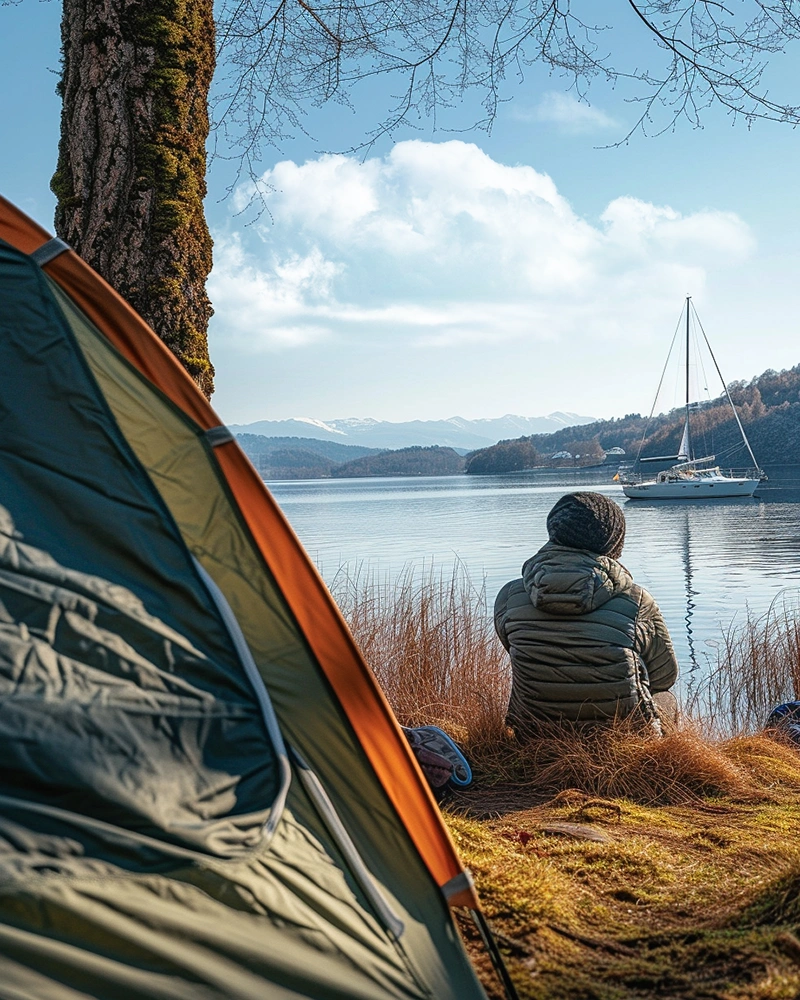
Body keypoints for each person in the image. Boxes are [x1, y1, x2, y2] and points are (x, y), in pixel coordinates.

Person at [494, 491, 679, 736]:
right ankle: (667, 762)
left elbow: (517, 652)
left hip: (533, 736)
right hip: (624, 738)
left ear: (555, 533)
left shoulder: (509, 597)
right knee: (667, 699)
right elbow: (665, 677)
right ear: (613, 543)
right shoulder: (637, 601)